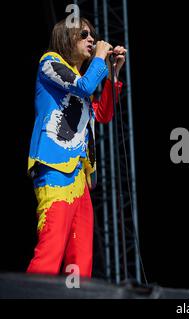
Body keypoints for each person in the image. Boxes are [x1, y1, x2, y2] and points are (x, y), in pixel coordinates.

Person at [26, 17, 127, 278]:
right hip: (54, 167)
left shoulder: (83, 82)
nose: (92, 40)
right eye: (84, 34)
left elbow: (102, 114)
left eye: (93, 35)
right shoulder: (49, 63)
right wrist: (100, 59)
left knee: (80, 259)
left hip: (80, 178)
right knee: (51, 248)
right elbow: (83, 86)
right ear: (66, 37)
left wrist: (114, 73)